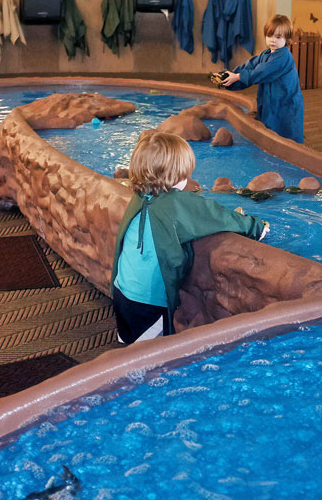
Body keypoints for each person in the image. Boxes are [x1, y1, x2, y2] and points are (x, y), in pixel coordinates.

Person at [111, 130, 269, 344]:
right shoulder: (175, 202)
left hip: (122, 292)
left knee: (131, 344)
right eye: (185, 173)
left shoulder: (142, 196)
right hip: (149, 301)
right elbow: (213, 214)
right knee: (151, 355)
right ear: (175, 175)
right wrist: (256, 227)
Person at [220, 14, 305, 143]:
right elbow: (250, 66)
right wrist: (229, 77)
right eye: (269, 35)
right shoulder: (266, 54)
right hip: (271, 101)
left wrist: (238, 77)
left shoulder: (284, 57)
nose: (273, 40)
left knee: (287, 132)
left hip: (286, 103)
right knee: (271, 129)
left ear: (287, 38)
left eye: (278, 37)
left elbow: (261, 72)